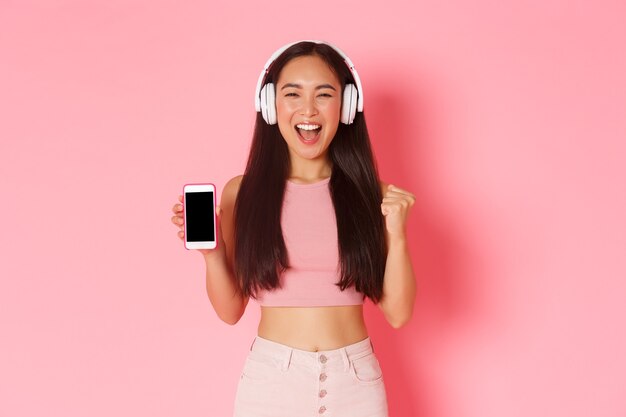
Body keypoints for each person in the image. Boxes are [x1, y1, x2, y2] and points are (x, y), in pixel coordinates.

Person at [170, 40, 416, 417]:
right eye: (292, 94)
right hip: (271, 384)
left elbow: (398, 314)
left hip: (356, 385)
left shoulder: (374, 197)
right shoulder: (244, 192)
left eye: (324, 94)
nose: (308, 109)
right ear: (270, 105)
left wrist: (396, 234)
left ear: (346, 106)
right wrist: (212, 252)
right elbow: (230, 310)